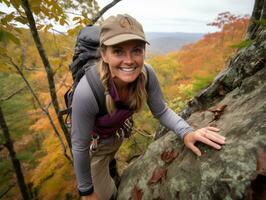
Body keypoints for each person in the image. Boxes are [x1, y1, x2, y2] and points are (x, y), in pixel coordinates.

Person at [71, 14, 226, 200]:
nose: (129, 61)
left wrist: (187, 132)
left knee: (111, 169)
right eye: (118, 52)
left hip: (117, 136)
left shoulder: (147, 74)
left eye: (136, 51)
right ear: (104, 54)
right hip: (95, 148)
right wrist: (87, 192)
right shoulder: (88, 91)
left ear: (144, 51)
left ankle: (111, 168)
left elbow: (160, 110)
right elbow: (79, 147)